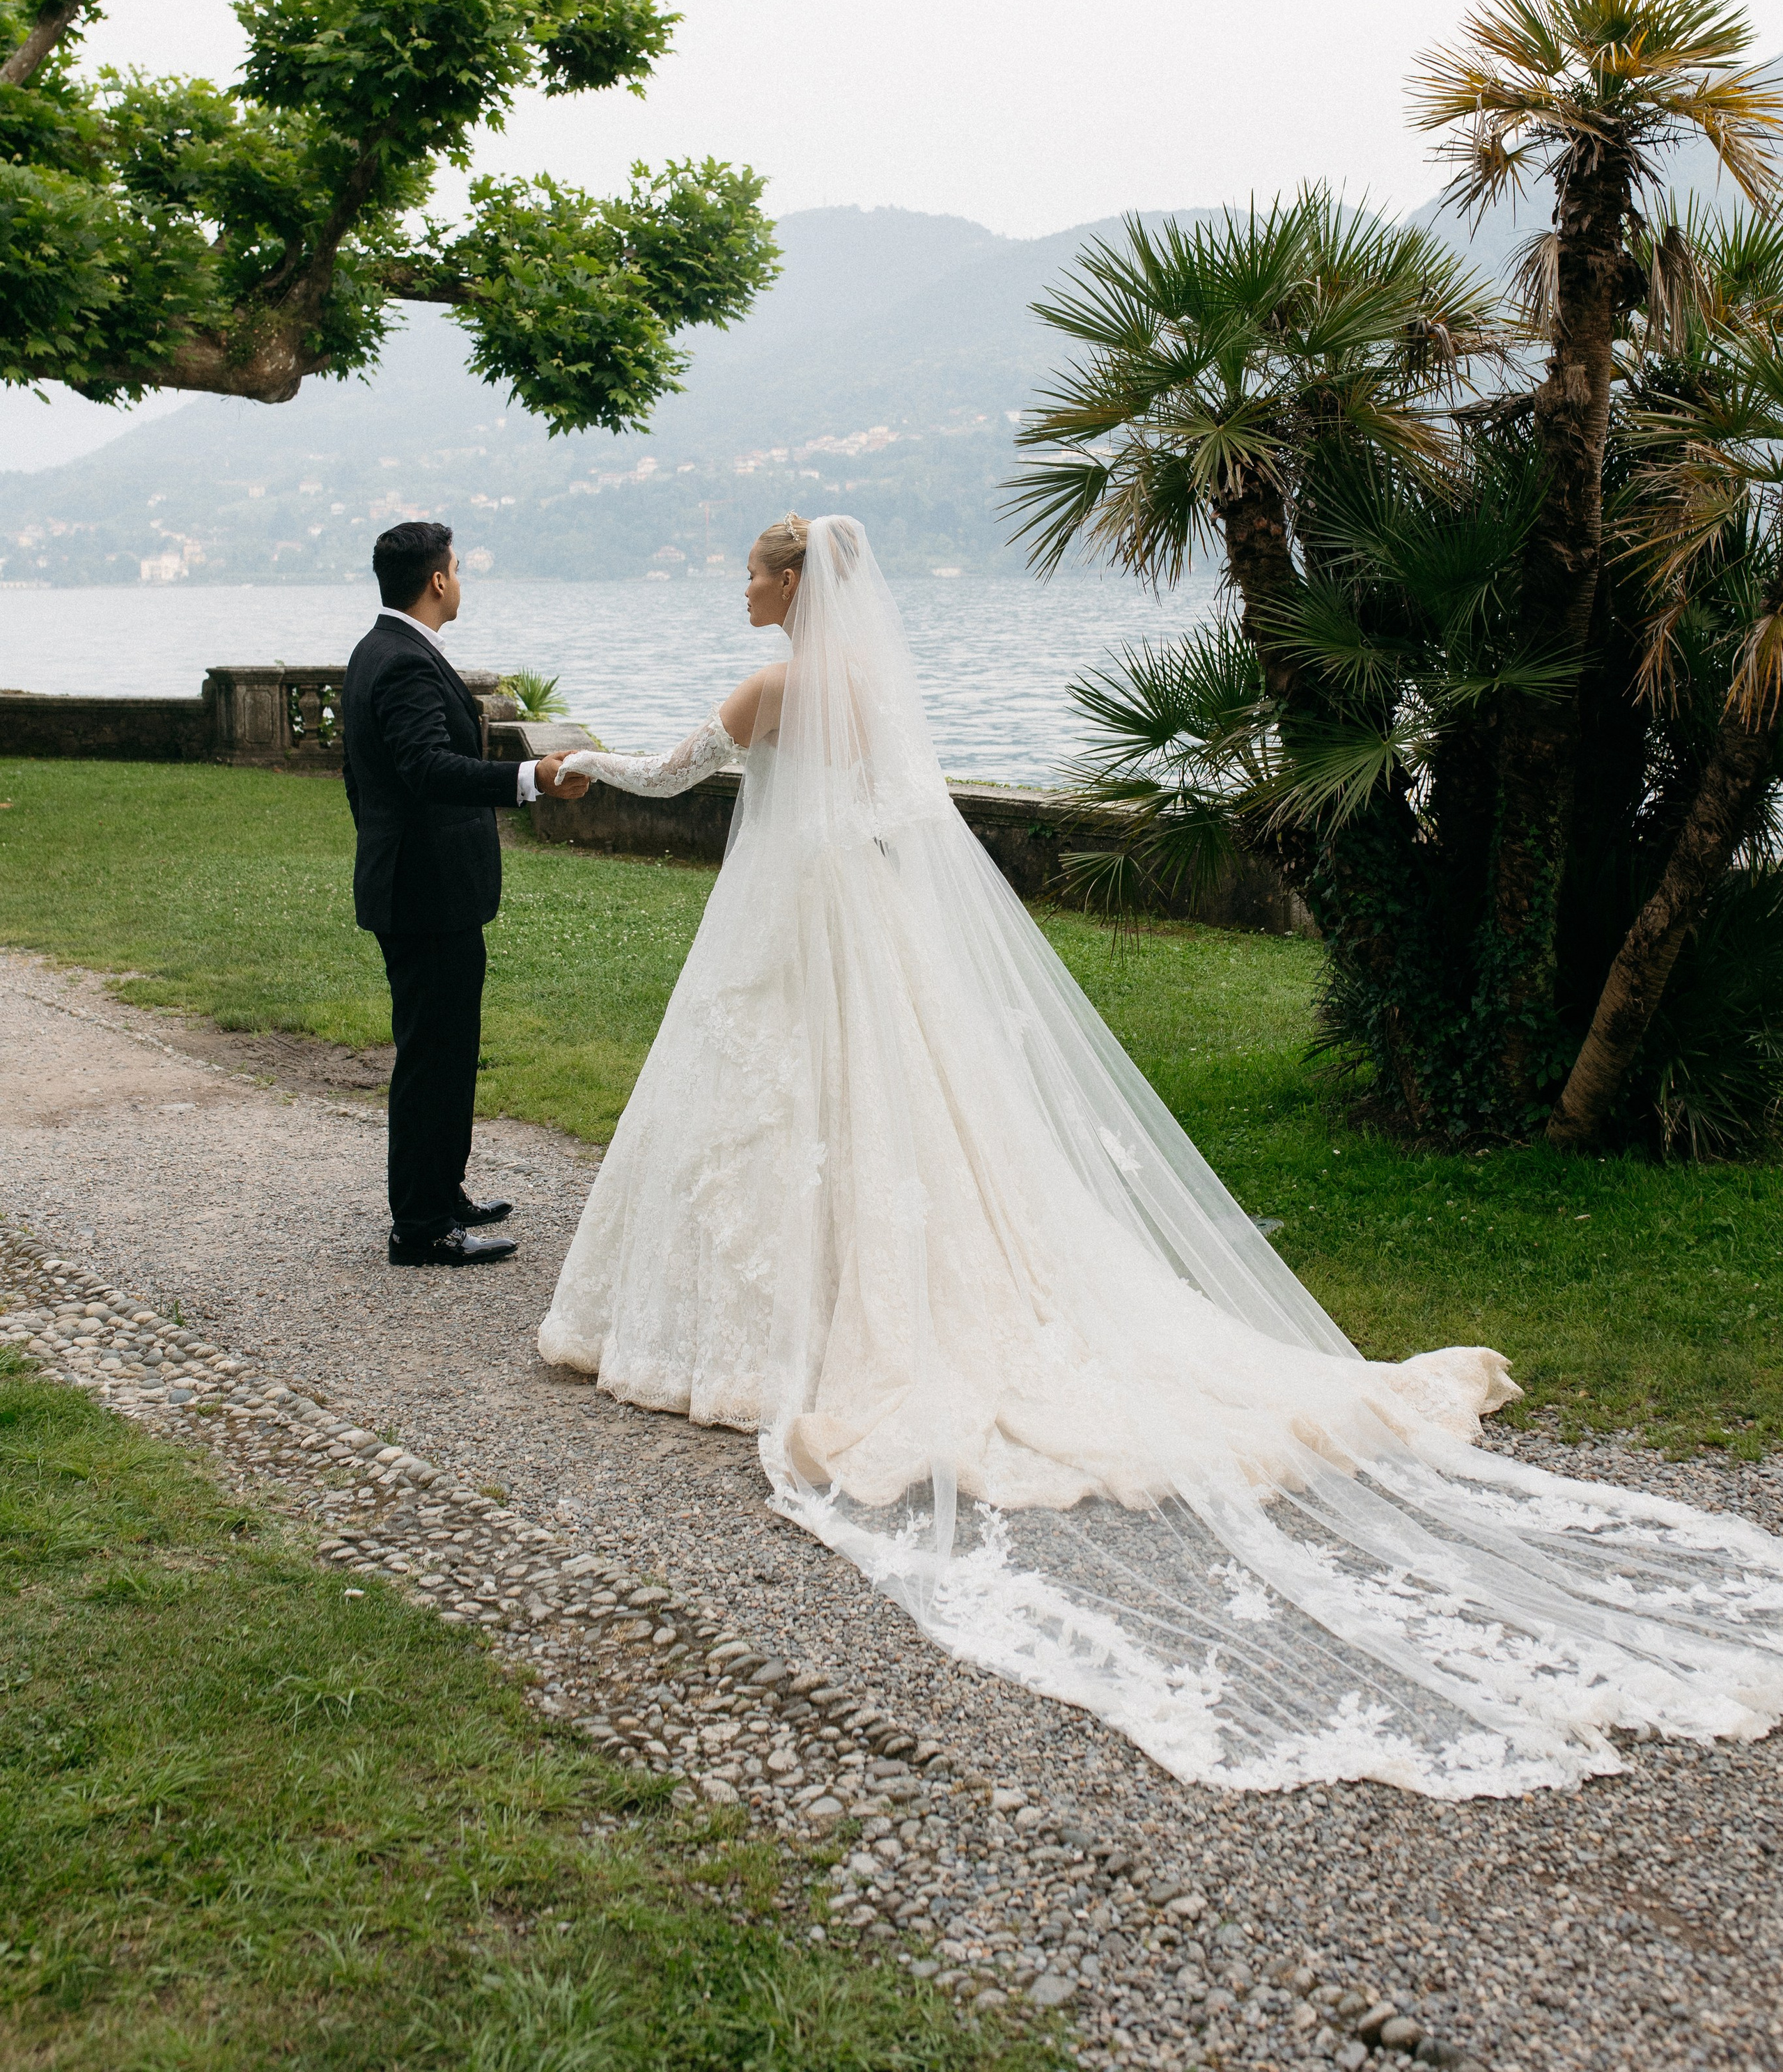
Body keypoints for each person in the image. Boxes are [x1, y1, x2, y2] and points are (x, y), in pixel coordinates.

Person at [536, 511, 1783, 1798]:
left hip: (800, 923)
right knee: (905, 1117)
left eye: (753, 572)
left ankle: (774, 1326)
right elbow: (905, 810)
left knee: (795, 1108)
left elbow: (671, 775)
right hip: (874, 918)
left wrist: (578, 763)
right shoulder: (871, 685)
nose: (742, 588)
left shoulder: (776, 688)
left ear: (794, 581)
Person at [343, 520, 589, 1268]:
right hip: (424, 894)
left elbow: (369, 777)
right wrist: (530, 777)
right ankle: (421, 1226)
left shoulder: (380, 650)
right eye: (457, 568)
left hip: (422, 887)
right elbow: (426, 768)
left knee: (448, 1049)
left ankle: (441, 1191)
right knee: (432, 1056)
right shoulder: (402, 662)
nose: (460, 580)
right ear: (438, 580)